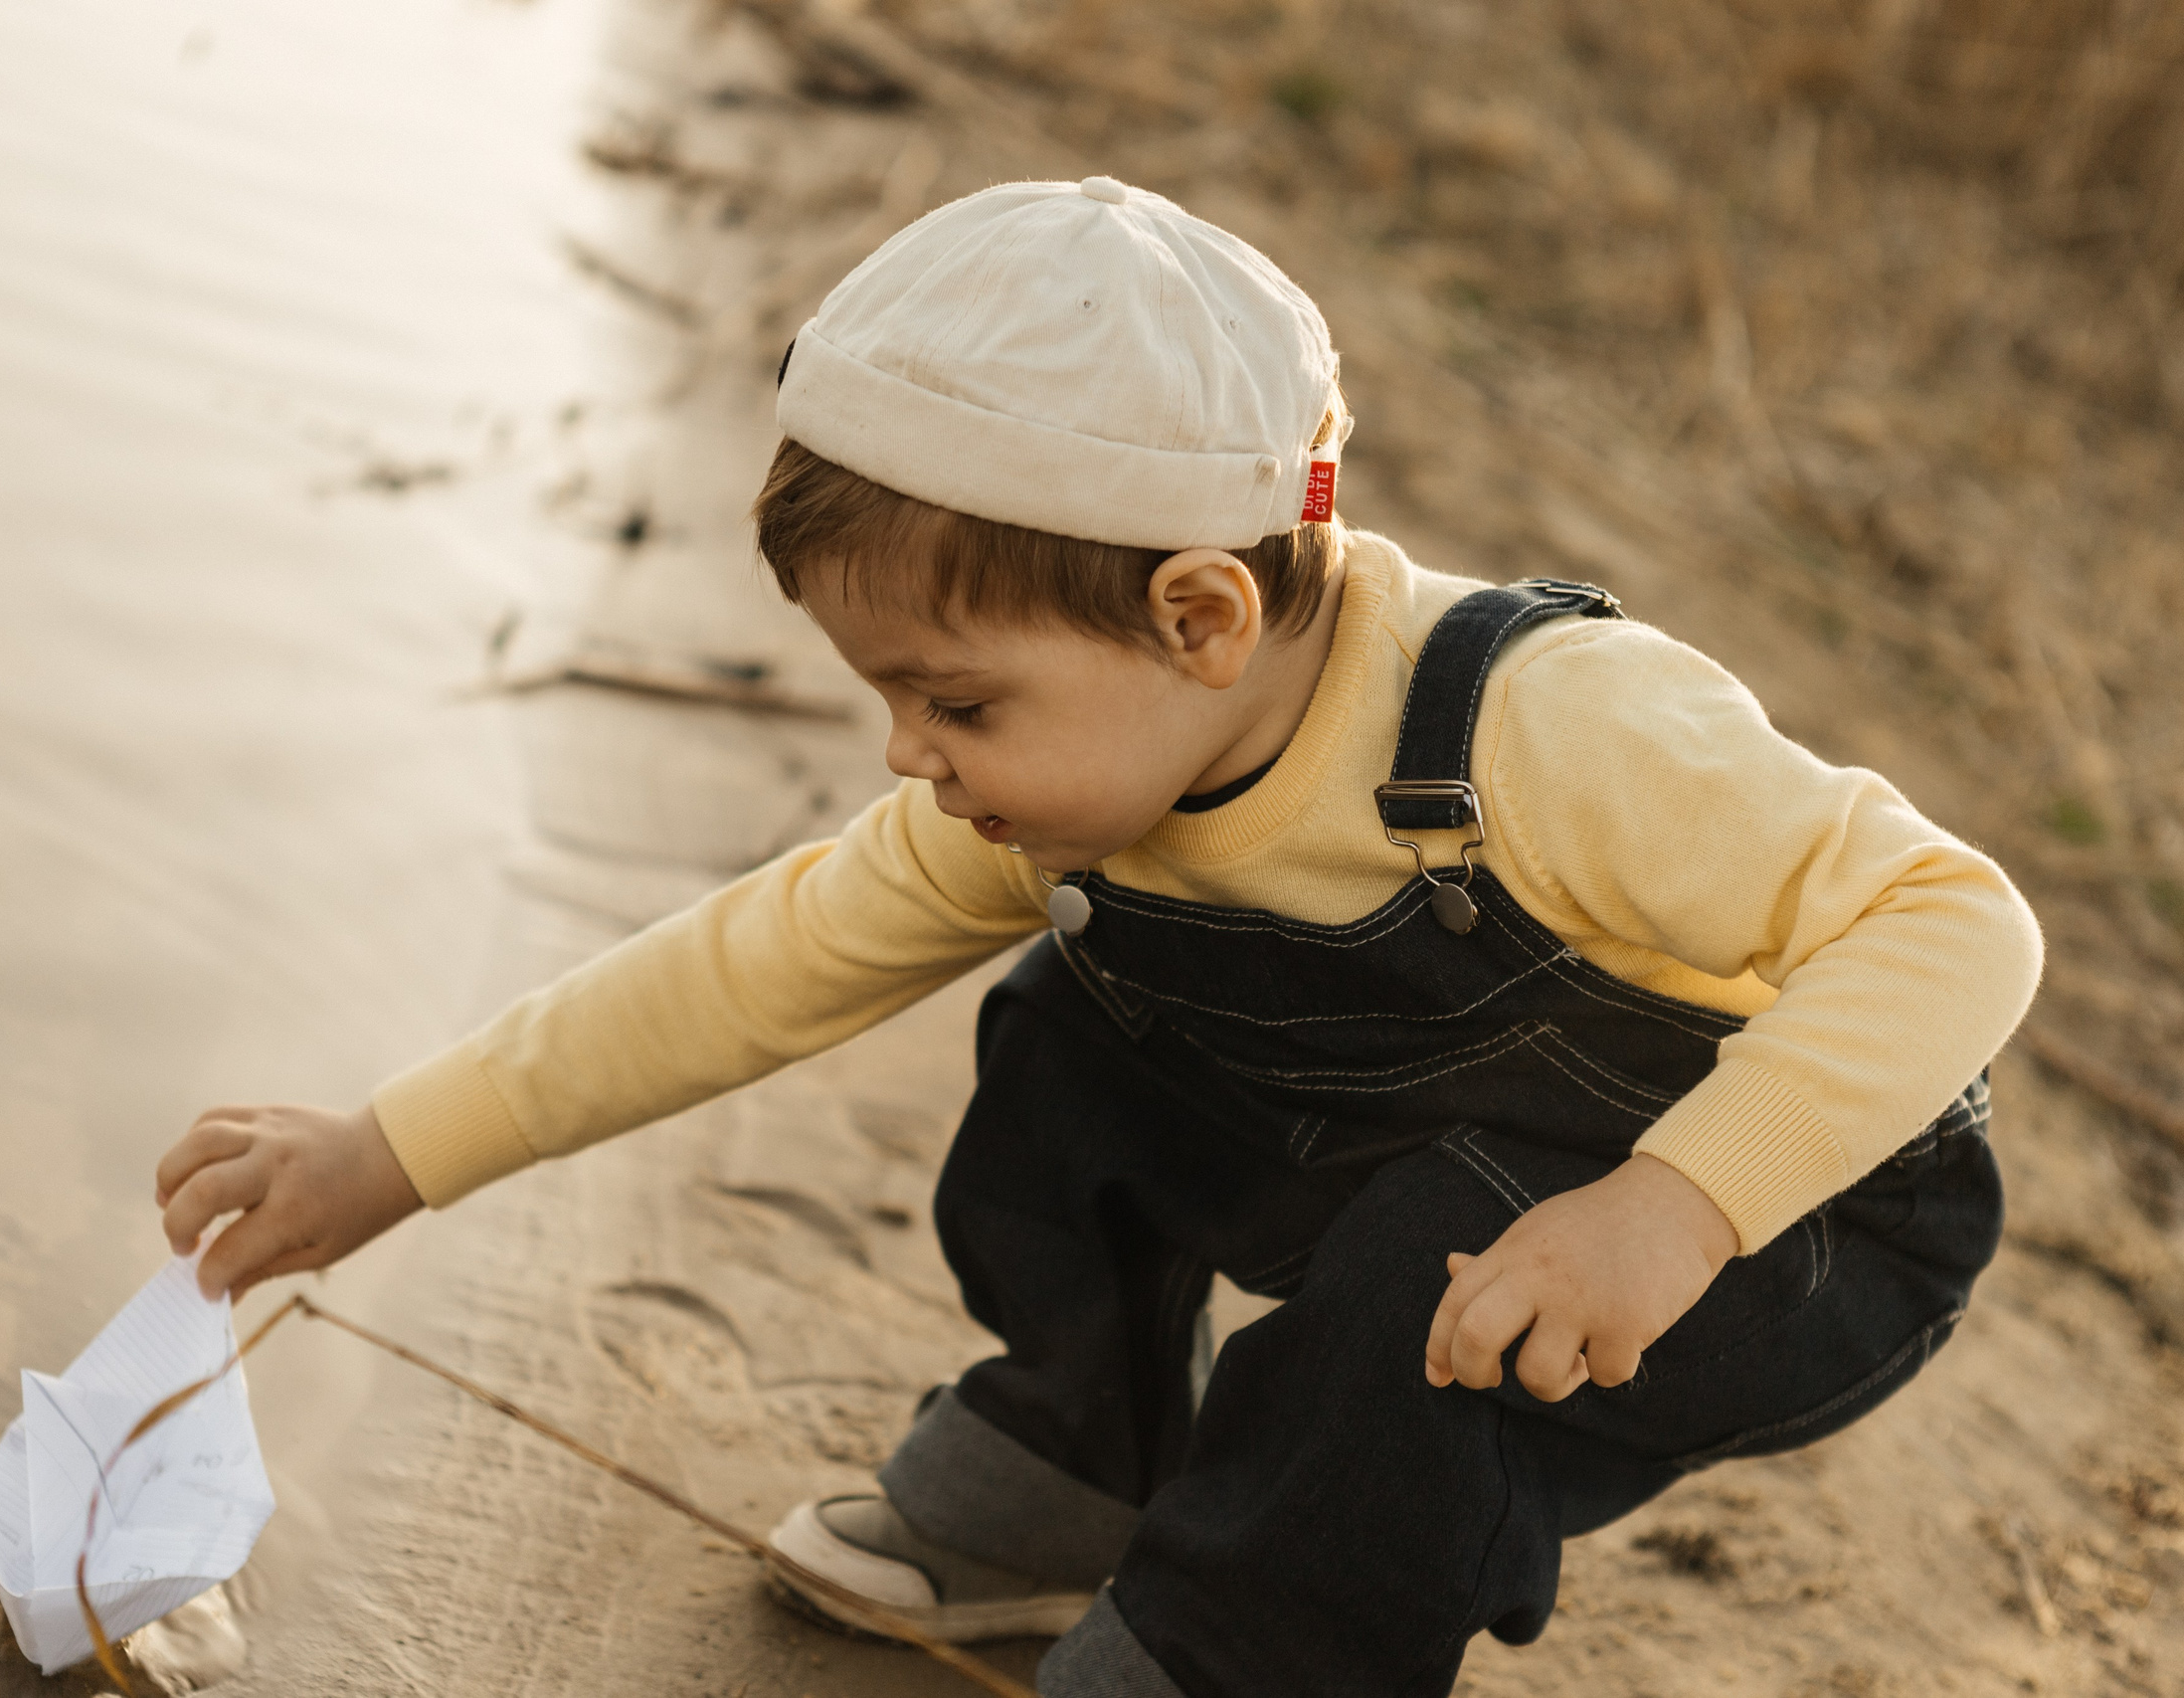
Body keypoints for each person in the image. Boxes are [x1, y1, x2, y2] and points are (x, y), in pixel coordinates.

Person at [153, 176, 2041, 1696]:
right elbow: (745, 973)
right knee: (1072, 1025)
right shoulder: (1077, 791)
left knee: (1410, 1290)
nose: (911, 757)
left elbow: (1960, 923)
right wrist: (391, 1155)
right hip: (1440, 1163)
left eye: (957, 703)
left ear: (1204, 615)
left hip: (1798, 1218)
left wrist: (1682, 1201)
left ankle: (1245, 1650)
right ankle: (1075, 1464)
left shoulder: (1547, 726)